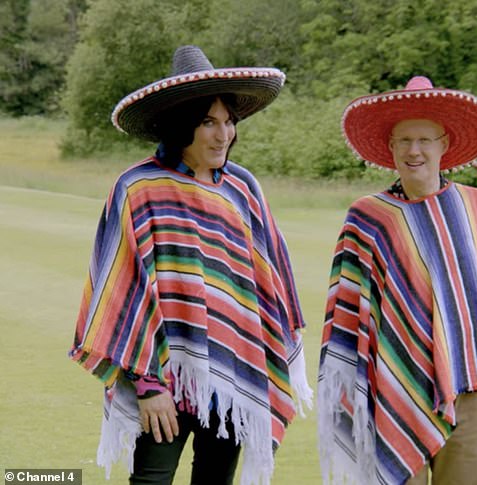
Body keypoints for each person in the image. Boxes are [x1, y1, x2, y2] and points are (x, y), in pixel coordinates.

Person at [69, 45, 312, 485]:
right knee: (151, 480)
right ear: (182, 124)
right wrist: (148, 385)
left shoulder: (243, 188)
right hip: (165, 376)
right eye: (208, 122)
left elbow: (267, 283)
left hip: (234, 370)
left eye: (228, 122)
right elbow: (123, 290)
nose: (223, 135)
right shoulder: (138, 189)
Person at [318, 76, 477, 485]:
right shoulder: (370, 218)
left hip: (474, 387)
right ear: (389, 148)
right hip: (397, 389)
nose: (414, 150)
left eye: (425, 139)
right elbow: (349, 313)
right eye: (403, 140)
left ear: (445, 144)